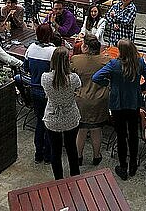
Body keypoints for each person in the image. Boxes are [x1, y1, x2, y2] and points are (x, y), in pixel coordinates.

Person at [92, 39, 146, 181]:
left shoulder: (114, 64)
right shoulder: (139, 63)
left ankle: (123, 166)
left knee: (121, 136)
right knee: (133, 133)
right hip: (133, 103)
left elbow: (96, 77)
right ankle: (133, 165)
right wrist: (139, 89)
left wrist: (108, 84)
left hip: (117, 104)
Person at [42, 47, 81, 180]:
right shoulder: (74, 79)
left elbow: (47, 94)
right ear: (67, 61)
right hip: (70, 116)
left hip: (52, 117)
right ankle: (75, 176)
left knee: (55, 151)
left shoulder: (45, 78)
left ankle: (58, 180)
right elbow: (77, 91)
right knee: (71, 149)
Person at [71, 34, 109, 165]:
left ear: (86, 47)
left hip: (81, 99)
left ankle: (79, 157)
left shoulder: (76, 60)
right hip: (99, 100)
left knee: (81, 130)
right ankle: (96, 156)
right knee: (96, 129)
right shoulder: (105, 60)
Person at [23, 23, 56, 163]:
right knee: (49, 123)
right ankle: (48, 155)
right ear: (50, 35)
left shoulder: (31, 48)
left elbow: (25, 68)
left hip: (34, 89)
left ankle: (38, 154)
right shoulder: (53, 51)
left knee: (40, 121)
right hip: (48, 92)